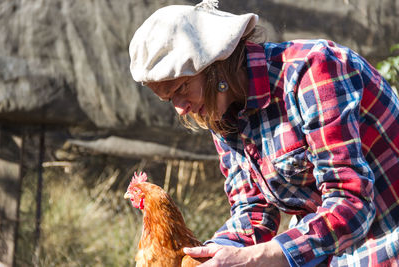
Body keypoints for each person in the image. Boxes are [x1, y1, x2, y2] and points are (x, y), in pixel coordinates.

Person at [128, 0, 399, 266]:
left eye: (182, 88)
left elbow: (351, 204)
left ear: (215, 63)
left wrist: (260, 256)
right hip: (329, 243)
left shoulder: (312, 71)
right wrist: (206, 258)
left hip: (387, 233)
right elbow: (252, 209)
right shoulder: (221, 110)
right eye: (169, 99)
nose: (180, 109)